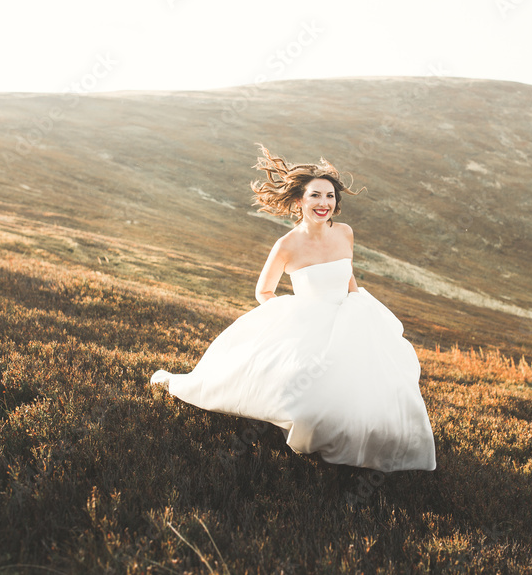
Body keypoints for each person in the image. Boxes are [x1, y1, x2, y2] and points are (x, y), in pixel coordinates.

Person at [150, 145, 436, 472]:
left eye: (330, 196)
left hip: (351, 316)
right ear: (300, 201)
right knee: (308, 395)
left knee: (377, 384)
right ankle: (319, 451)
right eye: (315, 195)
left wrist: (359, 302)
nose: (324, 203)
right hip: (309, 322)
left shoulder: (345, 233)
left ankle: (378, 447)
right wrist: (288, 318)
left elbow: (347, 275)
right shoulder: (286, 245)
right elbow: (264, 290)